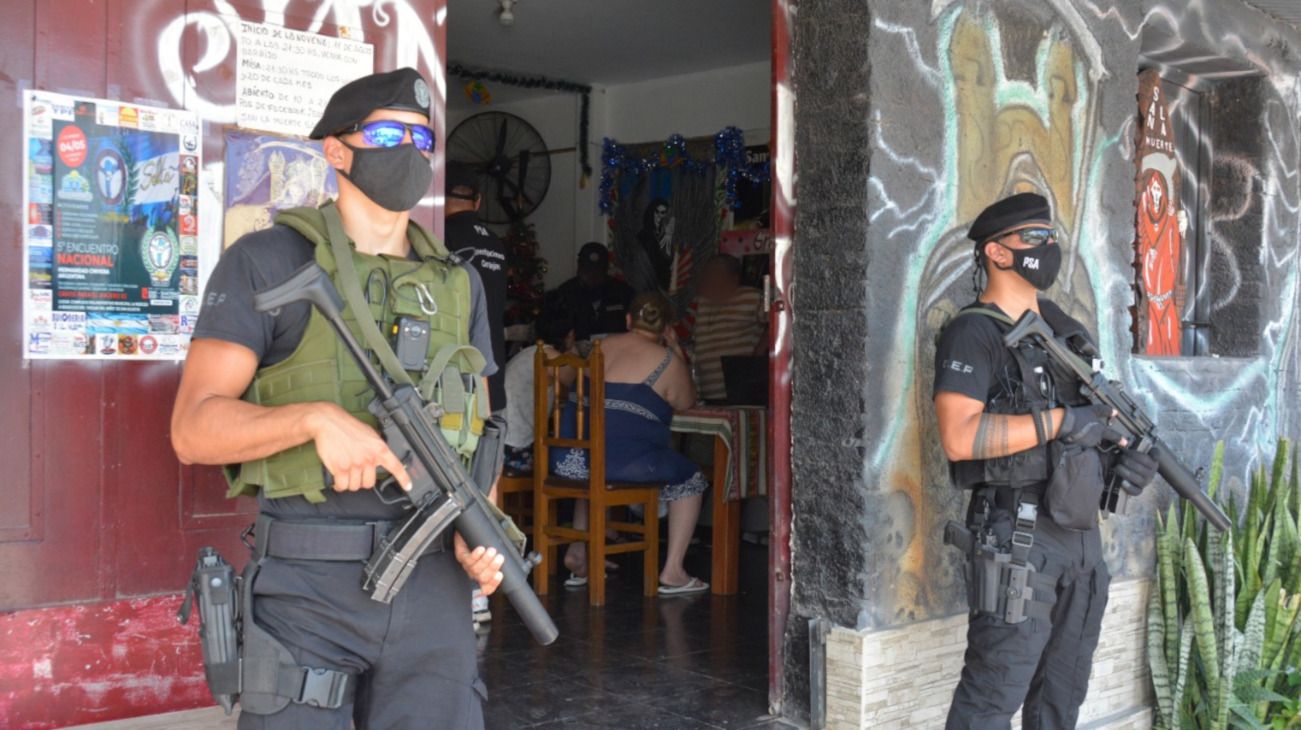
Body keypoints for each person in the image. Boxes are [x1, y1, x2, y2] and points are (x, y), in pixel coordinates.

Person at [171, 67, 505, 730]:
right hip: (308, 584)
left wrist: (482, 535)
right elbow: (192, 429)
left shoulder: (459, 286)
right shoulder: (266, 261)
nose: (408, 149)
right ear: (336, 150)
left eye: (421, 137)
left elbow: (480, 432)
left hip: (436, 585)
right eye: (386, 132)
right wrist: (314, 419)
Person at [933, 192, 1160, 729]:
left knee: (1061, 698)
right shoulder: (974, 331)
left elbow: (1094, 428)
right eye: (1033, 238)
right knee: (992, 697)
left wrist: (1123, 465)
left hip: (1081, 537)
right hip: (1018, 536)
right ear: (997, 252)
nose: (1047, 247)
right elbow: (959, 438)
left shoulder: (1066, 331)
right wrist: (1059, 422)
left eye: (1051, 236)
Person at [547, 291, 708, 595]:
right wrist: (675, 350)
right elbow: (686, 402)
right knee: (691, 477)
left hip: (570, 460)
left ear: (628, 319)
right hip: (626, 464)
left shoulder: (597, 349)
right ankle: (673, 570)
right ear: (666, 328)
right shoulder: (666, 360)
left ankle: (579, 552)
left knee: (594, 459)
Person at [444, 160, 508, 411]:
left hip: (459, 372)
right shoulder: (496, 244)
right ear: (478, 200)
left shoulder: (440, 236)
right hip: (493, 370)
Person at [501, 315, 577, 477]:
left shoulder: (529, 353)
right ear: (570, 335)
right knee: (569, 460)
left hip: (500, 443)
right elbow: (578, 384)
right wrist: (574, 353)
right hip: (517, 448)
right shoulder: (550, 358)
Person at [689, 253, 767, 401]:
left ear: (733, 279)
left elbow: (776, 323)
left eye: (717, 275)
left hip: (742, 394)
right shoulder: (701, 302)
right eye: (709, 276)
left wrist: (759, 350)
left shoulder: (751, 297)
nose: (711, 281)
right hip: (707, 395)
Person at [542, 242, 635, 341]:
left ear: (605, 270)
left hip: (615, 351)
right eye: (587, 272)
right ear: (579, 268)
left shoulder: (623, 292)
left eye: (597, 272)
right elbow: (553, 331)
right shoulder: (565, 292)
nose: (592, 277)